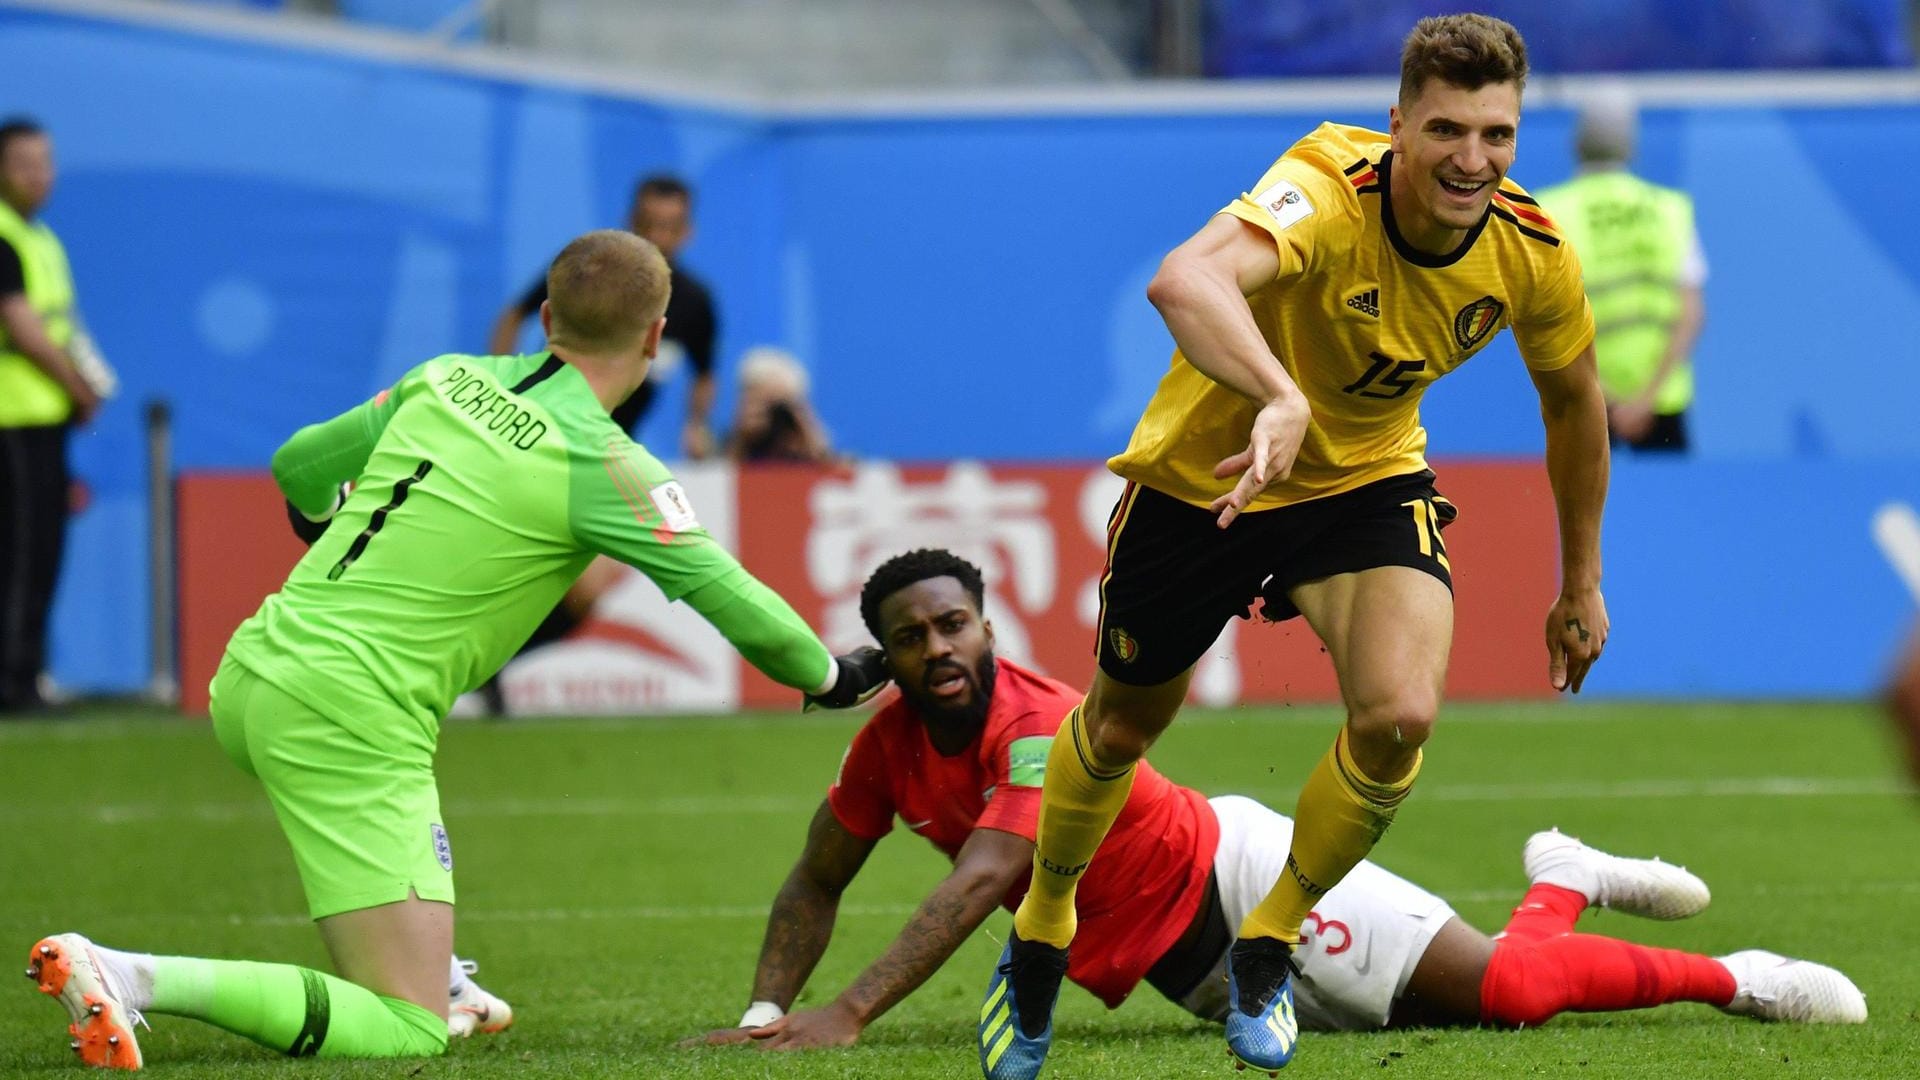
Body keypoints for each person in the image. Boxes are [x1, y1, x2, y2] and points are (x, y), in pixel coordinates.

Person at [24, 230, 889, 1069]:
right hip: (348, 714)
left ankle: (437, 973)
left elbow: (296, 464)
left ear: (546, 314)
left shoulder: (445, 377)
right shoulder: (609, 466)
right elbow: (735, 600)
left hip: (255, 670)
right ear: (658, 339)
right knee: (406, 1030)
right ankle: (130, 975)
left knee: (410, 931)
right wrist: (832, 675)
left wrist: (322, 516)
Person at [987, 15, 1611, 1077]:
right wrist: (1276, 395)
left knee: (1400, 717)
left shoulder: (1528, 250)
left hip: (1362, 482)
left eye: (1498, 134)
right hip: (1207, 484)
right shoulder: (1328, 184)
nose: (1473, 160)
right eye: (1447, 130)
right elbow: (1184, 280)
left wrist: (1581, 582)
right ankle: (1044, 924)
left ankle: (1268, 941)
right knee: (1125, 723)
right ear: (1396, 126)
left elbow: (1574, 405)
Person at [689, 550, 1863, 1059]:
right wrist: (763, 1011)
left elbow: (991, 875)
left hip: (1242, 883)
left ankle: (1739, 978)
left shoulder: (1038, 723)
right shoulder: (889, 746)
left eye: (955, 624)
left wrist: (845, 1015)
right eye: (912, 637)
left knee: (1507, 995)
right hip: (1191, 970)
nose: (939, 648)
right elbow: (815, 873)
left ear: (988, 625)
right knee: (1466, 1012)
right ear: (884, 655)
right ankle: (1562, 879)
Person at [488, 174, 719, 456]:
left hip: (609, 446)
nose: (657, 236)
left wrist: (695, 425)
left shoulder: (695, 302)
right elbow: (513, 316)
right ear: (629, 220)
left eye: (669, 227)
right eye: (647, 224)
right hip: (537, 427)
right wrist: (500, 382)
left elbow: (704, 373)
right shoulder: (588, 269)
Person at [0, 117, 105, 715]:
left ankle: (27, 676)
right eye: (23, 163)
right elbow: (26, 330)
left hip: (45, 417)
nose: (38, 175)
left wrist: (81, 386)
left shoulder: (40, 238)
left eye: (45, 162)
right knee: (16, 553)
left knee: (42, 550)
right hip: (10, 417)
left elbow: (62, 326)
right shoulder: (3, 238)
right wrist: (78, 386)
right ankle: (10, 683)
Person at [1536, 89, 1706, 453]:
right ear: (1631, 144)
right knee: (1671, 506)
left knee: (1582, 509)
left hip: (1585, 397)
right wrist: (1645, 399)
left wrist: (1606, 396)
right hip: (1662, 402)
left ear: (1577, 142)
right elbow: (1691, 314)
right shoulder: (1669, 209)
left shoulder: (1550, 211)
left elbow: (1545, 320)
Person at [725, 346, 835, 464]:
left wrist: (811, 440)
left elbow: (838, 474)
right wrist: (742, 440)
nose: (774, 417)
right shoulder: (724, 446)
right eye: (763, 404)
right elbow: (717, 474)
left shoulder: (802, 443)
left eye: (779, 406)